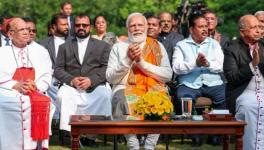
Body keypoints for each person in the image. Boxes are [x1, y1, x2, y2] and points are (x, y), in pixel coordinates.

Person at [106, 12, 172, 150]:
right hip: (124, 87)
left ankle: (149, 145)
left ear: (147, 27)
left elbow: (167, 75)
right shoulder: (118, 47)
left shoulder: (157, 46)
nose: (137, 28)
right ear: (127, 29)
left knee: (162, 100)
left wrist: (142, 64)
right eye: (132, 25)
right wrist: (127, 60)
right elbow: (110, 77)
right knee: (121, 99)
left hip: (153, 88)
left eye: (140, 25)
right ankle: (132, 143)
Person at [54, 13, 112, 146]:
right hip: (72, 87)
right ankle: (71, 135)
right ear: (74, 27)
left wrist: (91, 80)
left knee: (104, 95)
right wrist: (72, 80)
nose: (81, 27)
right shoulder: (64, 47)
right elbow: (58, 69)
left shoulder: (102, 46)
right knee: (63, 95)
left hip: (95, 86)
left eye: (84, 25)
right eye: (78, 25)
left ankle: (92, 136)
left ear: (90, 27)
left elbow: (106, 68)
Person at [172, 14, 226, 147]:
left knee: (225, 97)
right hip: (189, 84)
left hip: (213, 82)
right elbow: (176, 68)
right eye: (201, 26)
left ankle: (215, 135)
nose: (205, 29)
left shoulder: (214, 44)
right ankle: (194, 135)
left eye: (206, 26)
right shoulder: (181, 45)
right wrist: (194, 63)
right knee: (184, 98)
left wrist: (207, 64)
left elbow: (220, 65)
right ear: (191, 29)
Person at [0, 17, 52, 150]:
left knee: (44, 102)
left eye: (28, 29)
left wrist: (36, 85)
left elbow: (47, 74)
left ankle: (35, 146)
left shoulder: (41, 51)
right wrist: (14, 85)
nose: (26, 32)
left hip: (34, 92)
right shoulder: (2, 53)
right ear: (10, 34)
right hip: (8, 94)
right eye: (21, 29)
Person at [224, 14, 264, 150]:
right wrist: (252, 65)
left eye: (260, 27)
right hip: (243, 92)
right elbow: (232, 77)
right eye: (254, 28)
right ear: (242, 32)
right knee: (250, 106)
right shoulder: (231, 49)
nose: (259, 30)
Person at [39, 13, 69, 120]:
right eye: (63, 25)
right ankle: (54, 123)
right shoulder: (43, 44)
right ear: (54, 27)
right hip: (50, 82)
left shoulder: (73, 42)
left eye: (67, 24)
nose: (66, 27)